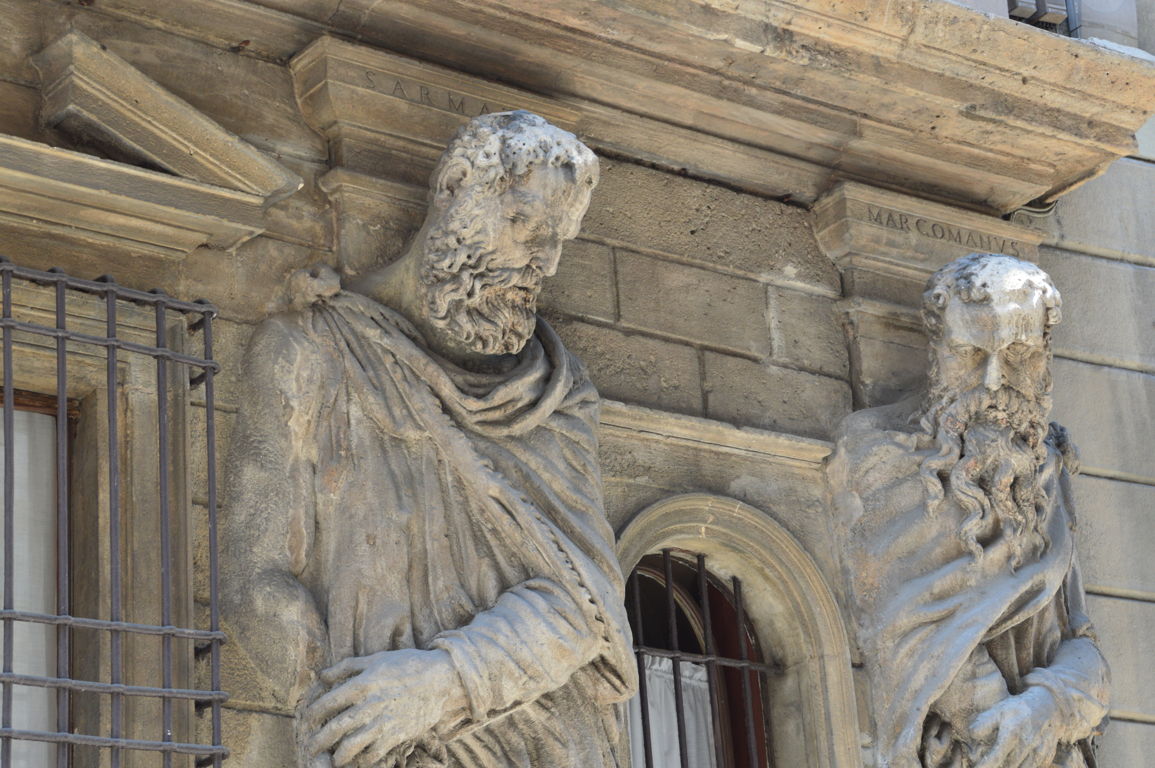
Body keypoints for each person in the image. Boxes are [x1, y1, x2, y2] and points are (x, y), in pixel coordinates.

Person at [221, 111, 636, 768]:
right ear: (453, 187)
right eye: (525, 224)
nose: (547, 262)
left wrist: (440, 684)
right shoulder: (310, 351)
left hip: (550, 742)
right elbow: (254, 577)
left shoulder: (554, 393)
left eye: (561, 240)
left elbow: (587, 607)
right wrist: (332, 704)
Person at [826, 253, 1110, 768]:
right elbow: (908, 632)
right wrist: (1004, 725)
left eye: (1018, 353)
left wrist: (1049, 707)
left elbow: (1079, 634)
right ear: (937, 350)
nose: (993, 380)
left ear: (1045, 352)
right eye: (969, 353)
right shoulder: (880, 453)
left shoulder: (1047, 464)